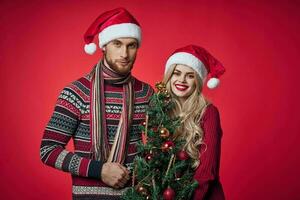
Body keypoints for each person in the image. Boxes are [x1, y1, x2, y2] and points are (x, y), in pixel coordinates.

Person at [40, 8, 153, 200]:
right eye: (117, 44)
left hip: (136, 195)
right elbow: (48, 150)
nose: (124, 53)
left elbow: (157, 150)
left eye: (131, 45)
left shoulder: (146, 93)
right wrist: (99, 170)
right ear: (104, 45)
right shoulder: (76, 92)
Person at [162, 45, 226, 199]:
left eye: (190, 76)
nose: (182, 80)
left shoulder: (209, 112)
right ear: (169, 76)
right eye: (177, 73)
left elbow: (207, 170)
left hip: (200, 195)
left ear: (197, 80)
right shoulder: (160, 109)